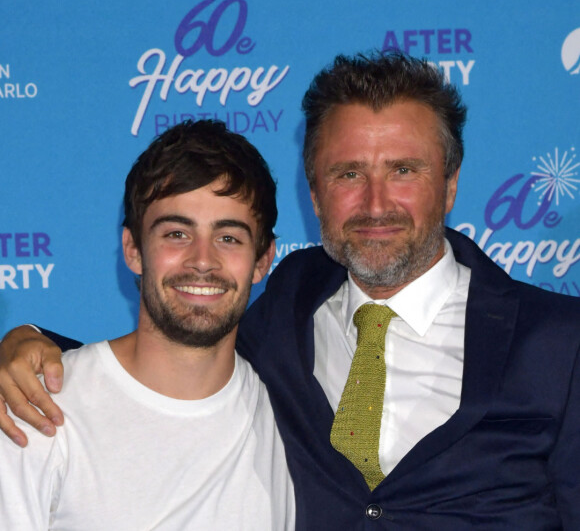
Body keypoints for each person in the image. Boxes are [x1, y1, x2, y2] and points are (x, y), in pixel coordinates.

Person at [1, 52, 580, 529]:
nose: (376, 203)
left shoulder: (559, 343)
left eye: (404, 170)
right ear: (314, 191)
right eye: (348, 173)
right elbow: (178, 342)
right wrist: (27, 340)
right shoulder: (288, 304)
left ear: (450, 184)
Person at [0, 120, 295, 530]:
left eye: (228, 237)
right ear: (134, 250)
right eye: (177, 233)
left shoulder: (287, 412)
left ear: (262, 261)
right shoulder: (38, 409)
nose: (203, 260)